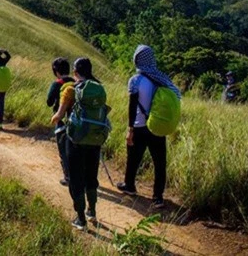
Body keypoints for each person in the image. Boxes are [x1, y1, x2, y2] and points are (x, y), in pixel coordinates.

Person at [116, 45, 181, 210]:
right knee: (159, 163)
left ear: (137, 59)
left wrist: (130, 129)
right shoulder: (162, 79)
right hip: (157, 127)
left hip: (139, 127)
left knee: (133, 158)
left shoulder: (135, 80)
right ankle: (158, 197)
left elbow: (132, 107)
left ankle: (129, 186)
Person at [51, 57, 103, 231]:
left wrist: (57, 117)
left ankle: (81, 219)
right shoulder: (99, 88)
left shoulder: (71, 89)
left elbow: (58, 116)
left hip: (75, 140)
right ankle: (92, 211)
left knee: (75, 179)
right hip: (95, 139)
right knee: (91, 176)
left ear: (75, 72)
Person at [46, 57, 75, 186]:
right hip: (75, 120)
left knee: (63, 149)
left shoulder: (57, 84)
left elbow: (49, 102)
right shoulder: (76, 82)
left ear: (56, 71)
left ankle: (68, 177)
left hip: (61, 119)